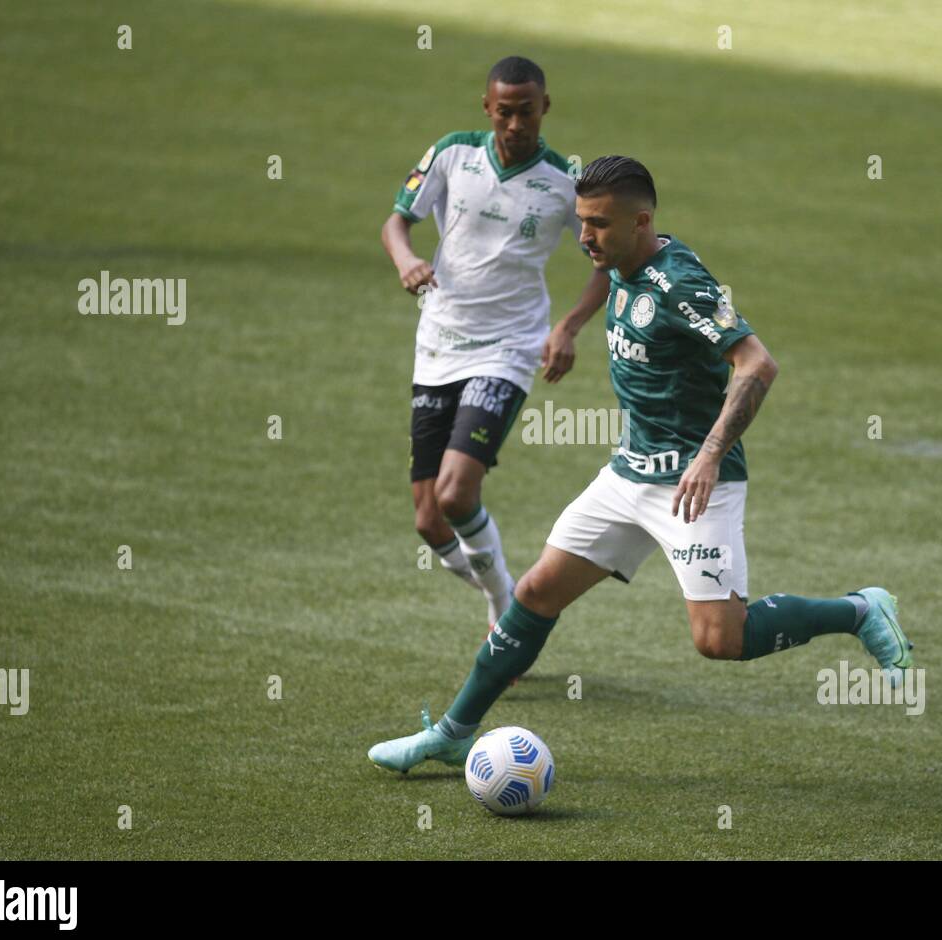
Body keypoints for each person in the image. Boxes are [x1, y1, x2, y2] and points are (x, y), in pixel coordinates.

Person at [369, 155, 914, 773]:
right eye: (580, 222)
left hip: (693, 484)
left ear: (641, 221)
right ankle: (452, 732)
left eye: (598, 225)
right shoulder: (621, 259)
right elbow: (609, 276)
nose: (584, 238)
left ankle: (861, 609)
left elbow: (757, 364)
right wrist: (571, 324)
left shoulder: (681, 282)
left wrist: (708, 455)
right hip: (628, 474)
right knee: (537, 591)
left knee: (719, 640)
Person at [380, 56, 610, 628]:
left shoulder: (564, 182)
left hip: (508, 348)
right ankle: (504, 590)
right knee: (429, 521)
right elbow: (396, 222)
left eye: (526, 112)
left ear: (545, 108)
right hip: (437, 343)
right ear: (487, 108)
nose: (514, 125)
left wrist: (568, 327)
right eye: (504, 112)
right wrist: (406, 259)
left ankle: (507, 616)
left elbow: (607, 262)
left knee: (457, 496)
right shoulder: (453, 153)